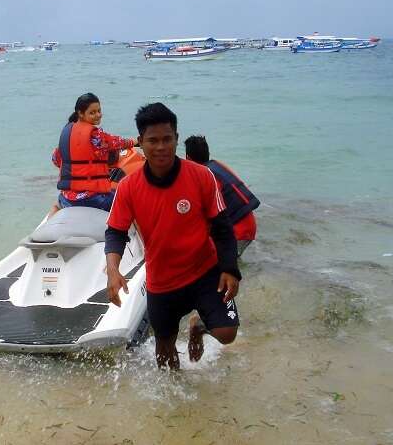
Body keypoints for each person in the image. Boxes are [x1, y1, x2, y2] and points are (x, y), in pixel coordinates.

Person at [105, 103, 241, 370]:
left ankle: (199, 326)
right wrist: (112, 269)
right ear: (140, 143)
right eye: (152, 140)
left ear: (177, 139)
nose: (161, 147)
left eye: (167, 139)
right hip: (162, 282)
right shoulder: (129, 188)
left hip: (205, 272)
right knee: (165, 354)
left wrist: (230, 269)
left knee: (227, 333)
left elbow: (222, 226)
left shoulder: (202, 176)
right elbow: (116, 231)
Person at [51, 93, 136, 213]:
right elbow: (117, 142)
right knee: (130, 200)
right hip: (91, 199)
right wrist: (136, 141)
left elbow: (56, 159)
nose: (98, 115)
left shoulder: (67, 133)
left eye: (99, 111)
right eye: (92, 112)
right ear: (80, 114)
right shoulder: (95, 135)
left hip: (66, 198)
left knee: (56, 204)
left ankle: (50, 220)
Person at [185, 135, 260, 257]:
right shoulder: (217, 165)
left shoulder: (205, 177)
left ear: (188, 158)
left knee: (219, 268)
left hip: (237, 232)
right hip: (249, 225)